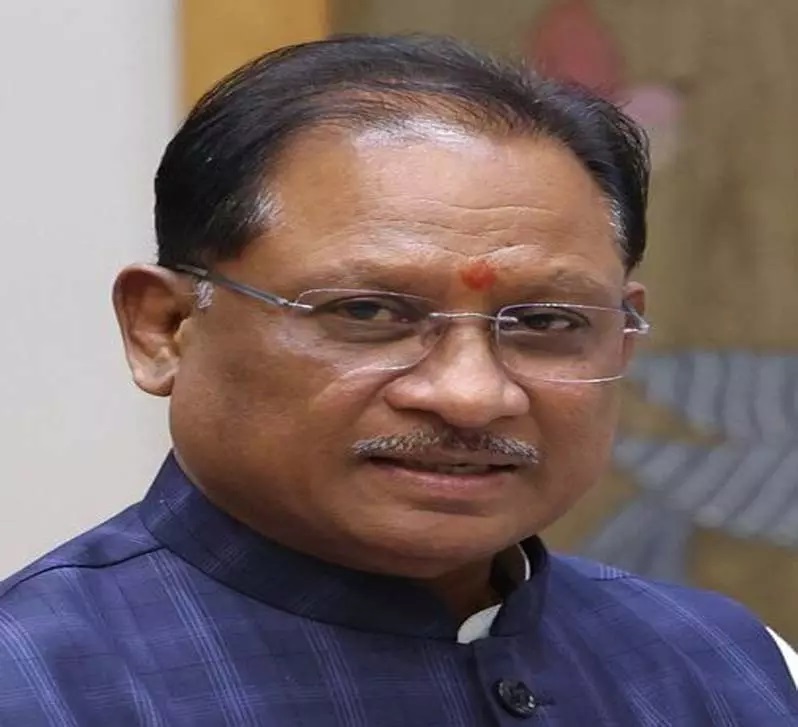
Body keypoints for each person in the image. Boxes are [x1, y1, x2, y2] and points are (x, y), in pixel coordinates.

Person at [0, 34, 796, 726]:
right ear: (164, 327)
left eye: (546, 322)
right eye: (368, 311)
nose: (471, 394)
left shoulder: (731, 665)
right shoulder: (39, 685)